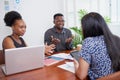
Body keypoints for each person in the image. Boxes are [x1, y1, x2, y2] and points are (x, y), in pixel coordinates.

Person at [74, 12, 120, 80]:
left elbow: (82, 75)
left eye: (81, 26)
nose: (81, 29)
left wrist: (76, 67)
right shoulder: (116, 39)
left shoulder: (89, 42)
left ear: (87, 27)